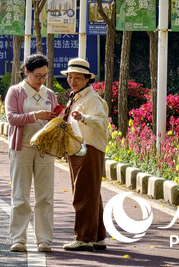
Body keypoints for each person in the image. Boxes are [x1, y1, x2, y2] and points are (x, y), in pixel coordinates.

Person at [5, 54, 60, 253]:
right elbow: (11, 118)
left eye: (45, 76)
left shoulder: (50, 94)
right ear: (27, 72)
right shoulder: (16, 92)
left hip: (46, 149)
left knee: (45, 196)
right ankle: (18, 238)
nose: (41, 80)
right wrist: (35, 116)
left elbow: (57, 120)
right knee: (20, 195)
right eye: (37, 75)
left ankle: (44, 240)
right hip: (22, 148)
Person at [61, 58, 110, 251]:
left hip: (88, 148)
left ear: (87, 79)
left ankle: (83, 238)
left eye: (78, 78)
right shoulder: (77, 96)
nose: (72, 81)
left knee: (83, 194)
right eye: (70, 77)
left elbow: (103, 123)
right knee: (90, 193)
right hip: (80, 148)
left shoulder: (91, 99)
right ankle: (97, 236)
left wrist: (84, 117)